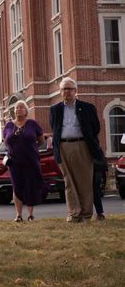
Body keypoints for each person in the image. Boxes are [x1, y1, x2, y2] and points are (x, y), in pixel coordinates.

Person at [50, 77, 103, 223]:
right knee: (68, 181)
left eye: (69, 89)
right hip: (63, 147)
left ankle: (86, 214)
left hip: (82, 146)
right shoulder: (55, 109)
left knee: (85, 181)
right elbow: (54, 128)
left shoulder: (87, 107)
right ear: (60, 92)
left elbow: (95, 128)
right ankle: (73, 213)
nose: (67, 92)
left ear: (75, 91)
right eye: (64, 89)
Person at [3, 100, 48, 222]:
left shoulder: (32, 124)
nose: (18, 110)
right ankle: (18, 215)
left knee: (30, 186)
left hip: (30, 160)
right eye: (16, 108)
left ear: (26, 111)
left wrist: (32, 148)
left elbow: (41, 140)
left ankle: (30, 215)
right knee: (16, 186)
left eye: (21, 107)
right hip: (14, 162)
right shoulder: (9, 126)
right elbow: (5, 141)